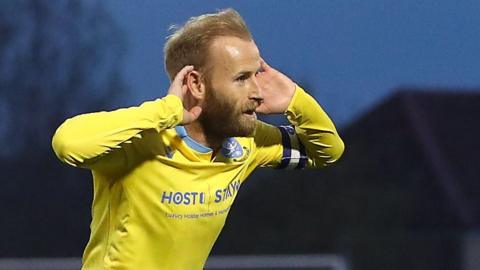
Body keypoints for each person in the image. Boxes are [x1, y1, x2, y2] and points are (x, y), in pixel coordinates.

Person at [51, 8, 344, 270]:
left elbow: (326, 151)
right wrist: (166, 110)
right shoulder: (141, 142)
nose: (257, 91)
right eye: (242, 78)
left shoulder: (246, 144)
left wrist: (295, 100)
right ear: (196, 84)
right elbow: (68, 143)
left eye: (257, 75)